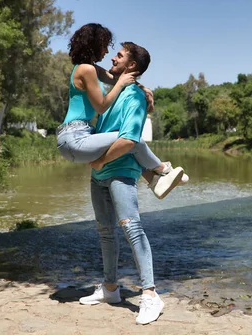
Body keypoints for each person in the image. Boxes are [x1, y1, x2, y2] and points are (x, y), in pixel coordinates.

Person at [78, 41, 167, 325]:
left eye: (119, 56)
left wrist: (102, 161)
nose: (112, 58)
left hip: (121, 172)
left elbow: (130, 139)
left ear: (131, 66)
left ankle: (151, 295)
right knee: (105, 232)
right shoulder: (109, 92)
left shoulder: (136, 97)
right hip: (99, 176)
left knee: (132, 229)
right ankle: (111, 289)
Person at [56, 23, 187, 199]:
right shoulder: (86, 69)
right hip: (75, 138)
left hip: (78, 137)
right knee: (132, 140)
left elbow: (117, 78)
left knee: (124, 147)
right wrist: (122, 84)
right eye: (104, 45)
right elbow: (102, 105)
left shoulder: (90, 69)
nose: (106, 52)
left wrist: (143, 88)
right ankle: (164, 169)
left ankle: (153, 180)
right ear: (94, 44)